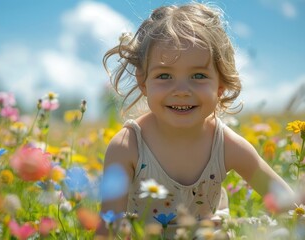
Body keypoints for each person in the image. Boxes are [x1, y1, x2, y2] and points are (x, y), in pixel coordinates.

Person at [98, 1, 294, 238]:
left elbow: (288, 203)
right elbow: (108, 230)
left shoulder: (226, 145)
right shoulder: (126, 147)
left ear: (220, 85)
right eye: (165, 75)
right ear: (143, 83)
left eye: (198, 75)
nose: (181, 90)